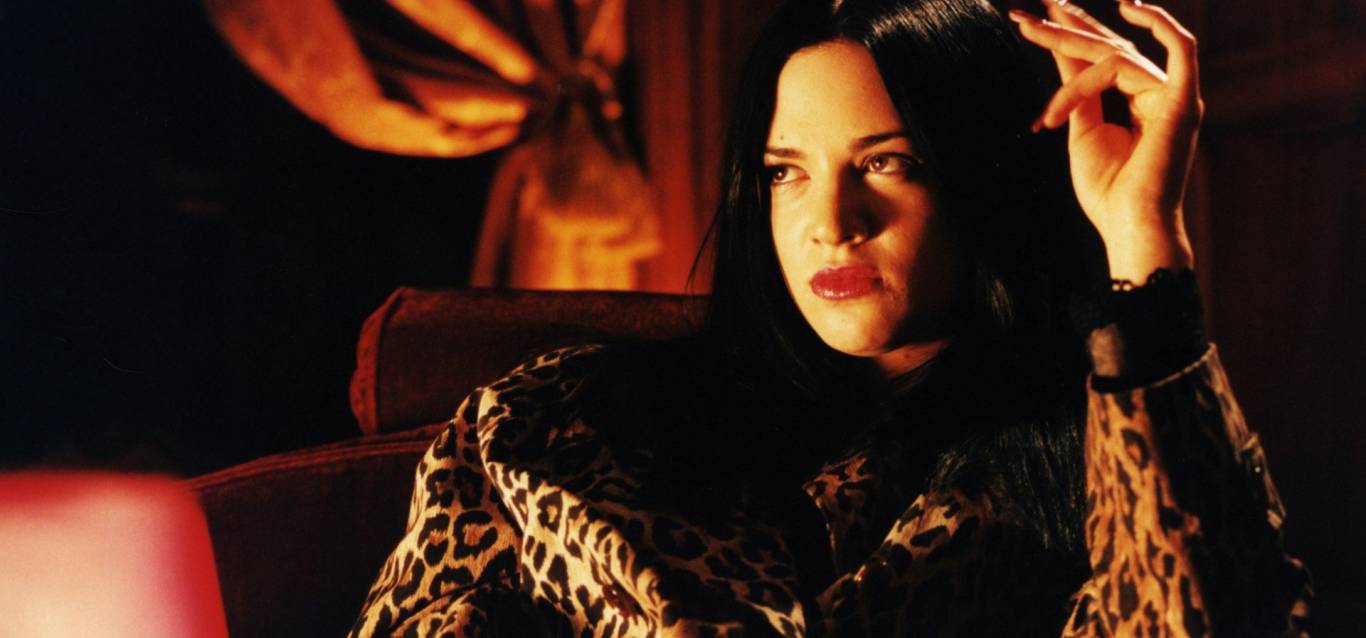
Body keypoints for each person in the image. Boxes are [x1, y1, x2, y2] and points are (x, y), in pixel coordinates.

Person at [350, 0, 1312, 635]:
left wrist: (1142, 233)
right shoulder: (556, 426)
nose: (831, 223)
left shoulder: (1093, 476)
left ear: (985, 182)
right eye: (786, 173)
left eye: (888, 163)